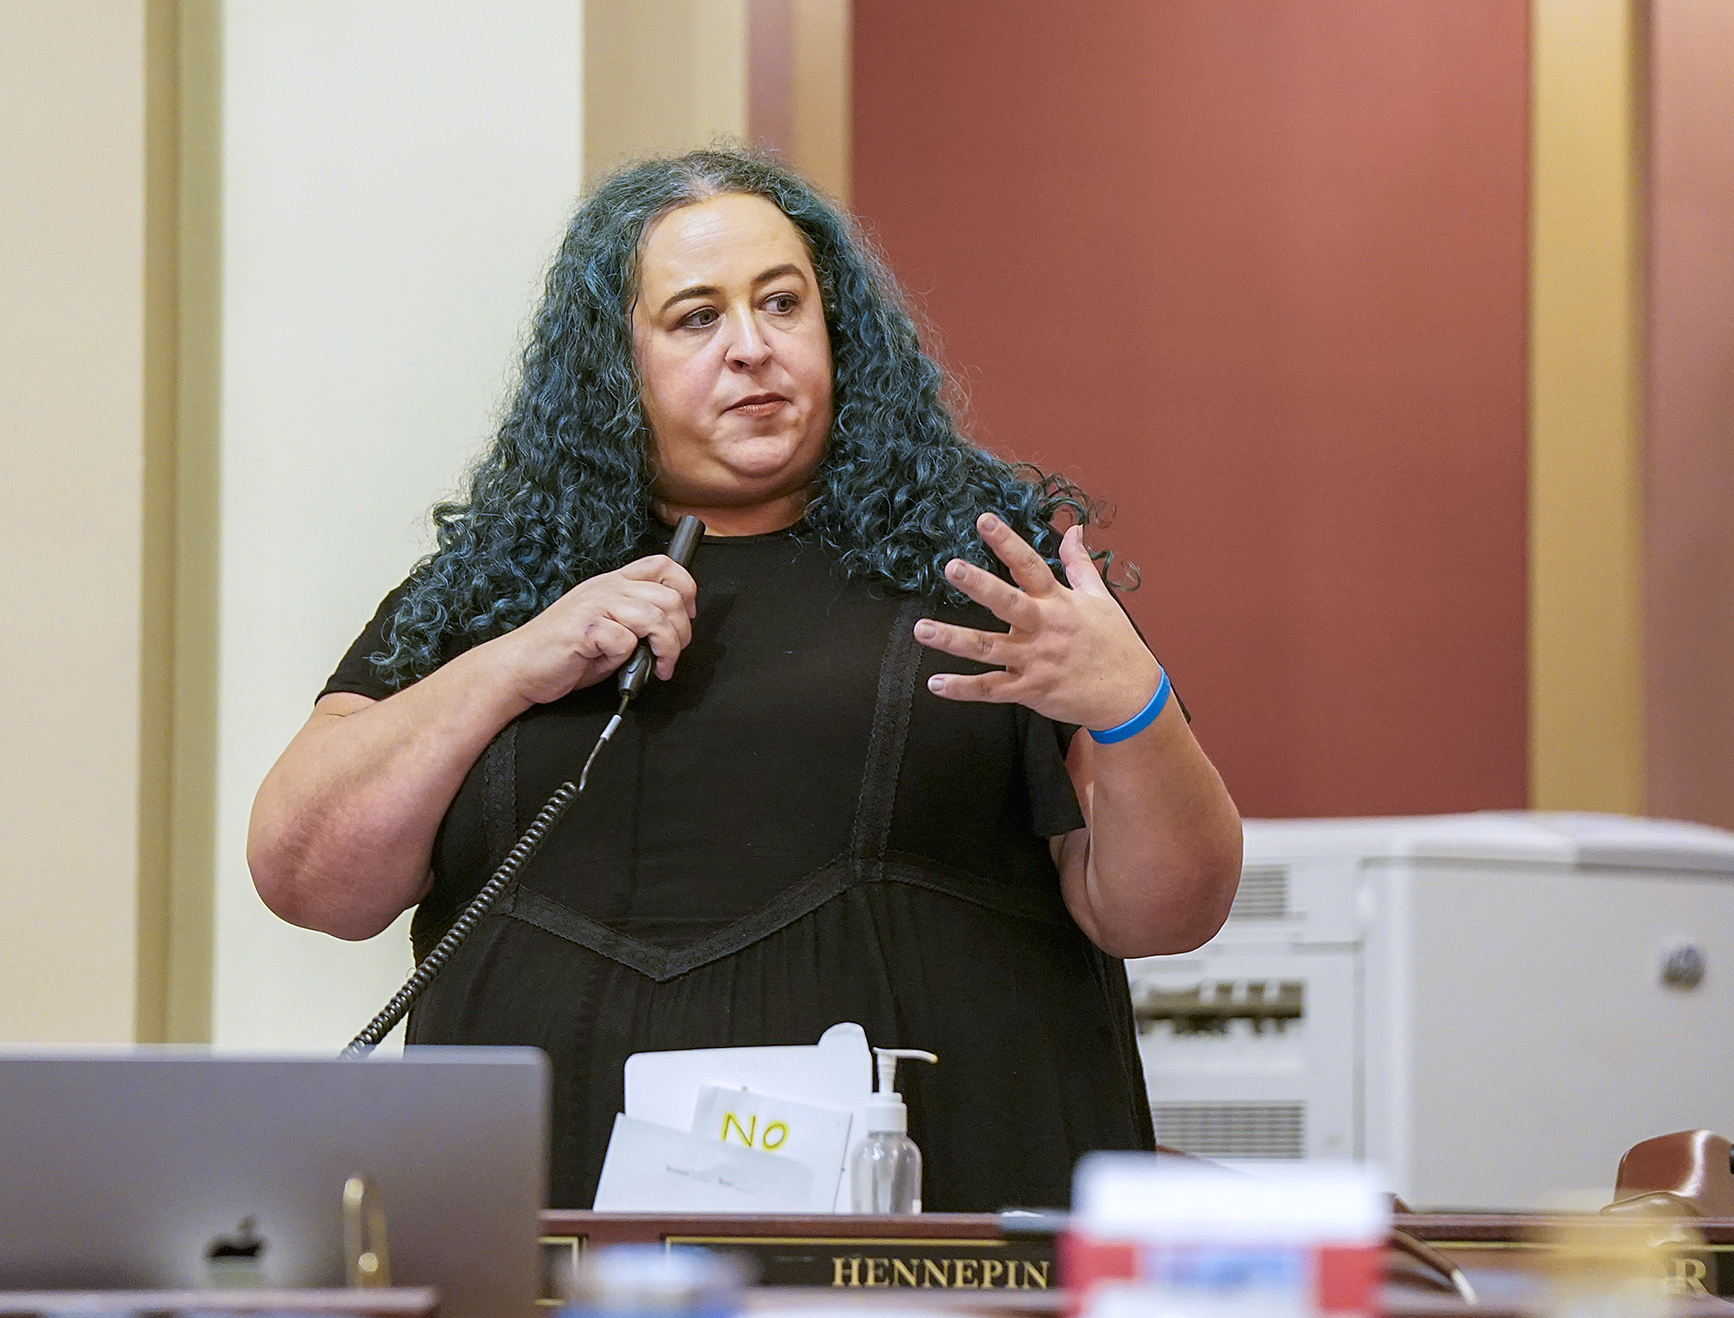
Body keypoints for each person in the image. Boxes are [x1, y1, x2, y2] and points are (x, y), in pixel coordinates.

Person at [248, 149, 1241, 1210]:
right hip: (543, 1262)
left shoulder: (994, 572)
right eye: (696, 318)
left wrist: (1134, 707)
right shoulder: (497, 582)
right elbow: (310, 878)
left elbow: (1167, 910)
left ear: (838, 332)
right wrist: (512, 664)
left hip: (928, 1259)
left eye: (782, 303)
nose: (753, 349)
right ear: (611, 366)